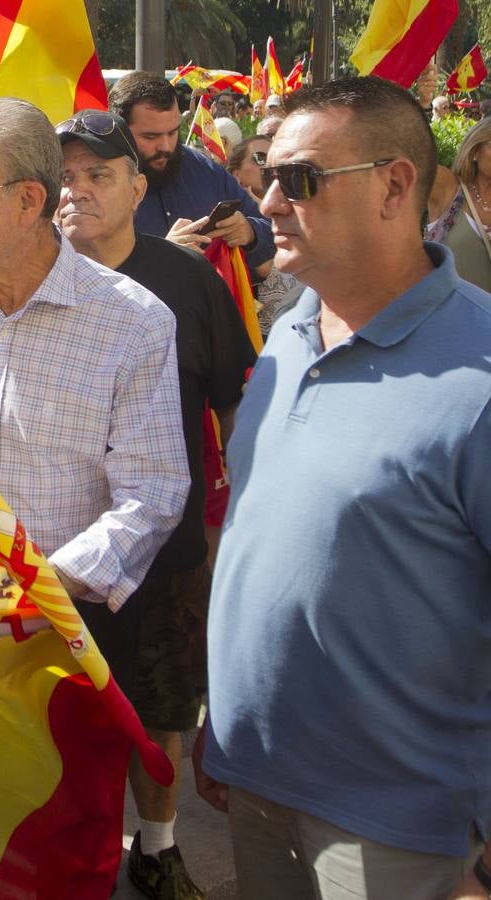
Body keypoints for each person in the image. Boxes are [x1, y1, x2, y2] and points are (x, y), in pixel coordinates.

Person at [195, 76, 491, 900]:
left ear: (395, 186)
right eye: (266, 177)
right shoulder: (288, 332)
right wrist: (223, 719)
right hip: (256, 778)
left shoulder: (481, 376)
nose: (268, 204)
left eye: (299, 180)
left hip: (398, 821)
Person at [0, 99, 188, 668]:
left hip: (67, 637)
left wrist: (41, 593)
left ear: (29, 201)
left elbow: (152, 492)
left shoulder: (134, 322)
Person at [54, 110, 256, 900]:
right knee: (60, 720)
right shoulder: (14, 282)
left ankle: (159, 848)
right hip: (52, 555)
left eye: (98, 175)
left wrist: (239, 520)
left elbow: (233, 402)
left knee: (162, 713)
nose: (78, 191)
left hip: (166, 552)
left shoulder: (189, 283)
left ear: (137, 189)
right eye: (65, 177)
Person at [108, 72, 274, 268]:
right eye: (150, 137)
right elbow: (90, 269)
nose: (166, 146)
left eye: (173, 132)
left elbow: (272, 233)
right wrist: (163, 255)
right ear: (120, 130)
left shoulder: (206, 171)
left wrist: (250, 232)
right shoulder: (97, 186)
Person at [425, 118, 491, 291]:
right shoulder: (448, 188)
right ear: (474, 152)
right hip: (445, 306)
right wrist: (422, 107)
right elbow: (411, 160)